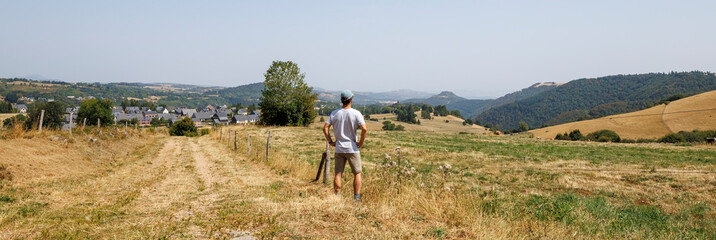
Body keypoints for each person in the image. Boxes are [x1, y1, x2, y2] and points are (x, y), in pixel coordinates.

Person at [323, 90, 367, 201]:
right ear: (351, 99)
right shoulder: (356, 113)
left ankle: (337, 196)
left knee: (338, 173)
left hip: (339, 147)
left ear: (341, 100)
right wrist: (361, 143)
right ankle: (356, 198)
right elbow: (364, 129)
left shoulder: (334, 113)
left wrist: (330, 141)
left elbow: (325, 127)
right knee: (357, 173)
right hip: (352, 148)